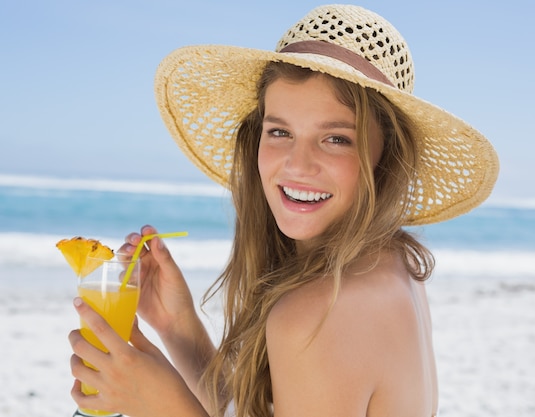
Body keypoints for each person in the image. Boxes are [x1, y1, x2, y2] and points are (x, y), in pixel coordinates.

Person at [68, 4, 498, 417]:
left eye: (336, 139)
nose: (297, 164)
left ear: (384, 156)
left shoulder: (318, 312)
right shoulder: (390, 264)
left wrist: (161, 406)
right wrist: (178, 327)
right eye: (280, 131)